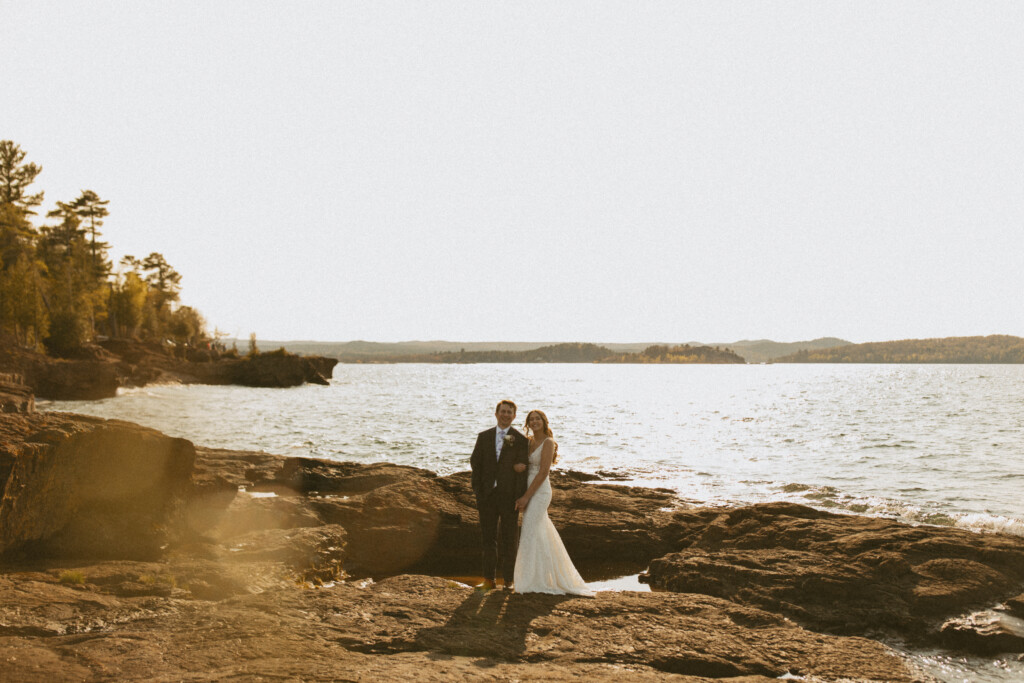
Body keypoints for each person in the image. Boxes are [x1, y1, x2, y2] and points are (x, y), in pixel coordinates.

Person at [513, 410, 594, 596]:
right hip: (527, 488)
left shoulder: (548, 442)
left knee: (529, 530)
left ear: (544, 421)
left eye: (537, 419)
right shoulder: (528, 442)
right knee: (540, 533)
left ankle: (530, 581)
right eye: (531, 419)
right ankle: (540, 577)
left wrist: (526, 497)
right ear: (527, 423)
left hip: (540, 491)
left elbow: (543, 473)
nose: (534, 422)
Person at [470, 399, 529, 591]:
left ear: (514, 416)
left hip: (509, 497)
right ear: (496, 414)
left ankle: (509, 581)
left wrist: (520, 497)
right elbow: (475, 464)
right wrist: (479, 492)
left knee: (510, 539)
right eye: (502, 411)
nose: (505, 415)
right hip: (487, 496)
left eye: (509, 412)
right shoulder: (484, 437)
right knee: (488, 539)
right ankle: (489, 579)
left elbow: (523, 470)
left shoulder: (520, 440)